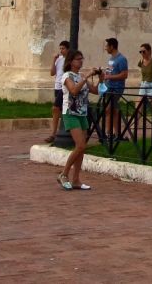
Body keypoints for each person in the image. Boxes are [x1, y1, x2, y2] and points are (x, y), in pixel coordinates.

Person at [58, 50, 96, 191]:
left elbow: (96, 90)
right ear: (71, 61)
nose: (81, 61)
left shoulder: (80, 76)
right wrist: (86, 77)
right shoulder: (67, 76)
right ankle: (64, 174)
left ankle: (76, 180)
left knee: (82, 147)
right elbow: (73, 91)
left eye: (81, 58)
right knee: (80, 145)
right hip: (70, 113)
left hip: (82, 114)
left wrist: (102, 78)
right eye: (78, 59)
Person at [101, 37, 128, 140]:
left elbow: (124, 75)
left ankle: (109, 133)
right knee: (113, 110)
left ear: (112, 46)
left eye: (107, 46)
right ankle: (115, 134)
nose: (105, 48)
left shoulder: (121, 59)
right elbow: (110, 72)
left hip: (116, 88)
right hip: (109, 87)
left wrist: (109, 77)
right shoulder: (111, 59)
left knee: (109, 109)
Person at [48, 40, 70, 140]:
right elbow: (52, 73)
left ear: (68, 49)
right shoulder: (59, 59)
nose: (61, 50)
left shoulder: (70, 60)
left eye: (63, 48)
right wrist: (54, 60)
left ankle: (54, 133)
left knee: (55, 108)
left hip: (63, 86)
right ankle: (58, 131)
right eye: (60, 48)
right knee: (59, 109)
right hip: (57, 86)